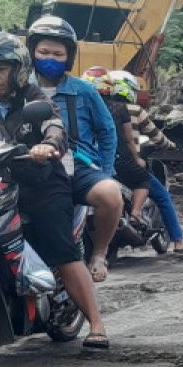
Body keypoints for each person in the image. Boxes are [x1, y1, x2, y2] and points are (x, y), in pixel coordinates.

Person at [0, 32, 110, 351]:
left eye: (1, 69)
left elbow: (55, 127)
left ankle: (96, 324)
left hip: (40, 182)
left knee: (61, 248)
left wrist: (48, 145)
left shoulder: (36, 99)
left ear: (17, 70)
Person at [25, 16, 122, 283]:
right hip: (30, 163)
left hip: (77, 162)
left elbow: (107, 131)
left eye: (58, 54)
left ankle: (99, 253)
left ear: (68, 57)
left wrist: (104, 170)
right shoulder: (20, 90)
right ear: (32, 52)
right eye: (44, 52)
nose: (50, 58)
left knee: (111, 196)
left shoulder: (84, 90)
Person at [107, 70, 183, 256]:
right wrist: (170, 145)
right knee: (162, 196)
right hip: (128, 164)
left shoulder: (101, 108)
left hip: (104, 164)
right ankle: (179, 243)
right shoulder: (134, 110)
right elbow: (155, 136)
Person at [85, 68, 152, 231]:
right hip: (117, 160)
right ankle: (136, 213)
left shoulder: (82, 107)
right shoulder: (120, 108)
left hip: (87, 160)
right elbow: (129, 139)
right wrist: (137, 159)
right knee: (143, 178)